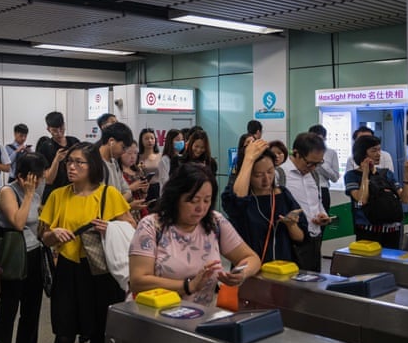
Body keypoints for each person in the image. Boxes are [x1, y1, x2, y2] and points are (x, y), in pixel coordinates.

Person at [39, 142, 135, 343]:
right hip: (69, 272)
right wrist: (54, 234)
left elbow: (132, 230)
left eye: (78, 162)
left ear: (92, 166)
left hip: (101, 273)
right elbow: (43, 235)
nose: (71, 167)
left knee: (99, 335)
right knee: (63, 335)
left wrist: (110, 228)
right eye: (69, 162)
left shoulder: (108, 194)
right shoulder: (58, 195)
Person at [130, 163, 261, 305]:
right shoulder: (151, 226)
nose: (201, 208)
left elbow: (252, 258)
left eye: (207, 200)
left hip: (201, 318)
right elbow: (138, 281)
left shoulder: (214, 221)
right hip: (157, 317)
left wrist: (241, 273)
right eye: (193, 201)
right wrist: (188, 286)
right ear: (176, 197)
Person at [0, 153, 48, 343]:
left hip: (33, 256)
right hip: (13, 259)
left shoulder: (37, 190)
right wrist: (30, 195)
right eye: (36, 176)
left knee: (31, 314)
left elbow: (37, 223)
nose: (39, 180)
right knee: (8, 311)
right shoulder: (8, 191)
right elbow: (18, 222)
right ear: (23, 175)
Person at [222, 140, 307, 264]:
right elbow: (237, 202)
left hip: (283, 268)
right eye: (258, 175)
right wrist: (248, 159)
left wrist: (291, 225)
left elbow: (301, 238)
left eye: (270, 172)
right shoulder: (238, 197)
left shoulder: (283, 195)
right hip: (250, 270)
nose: (266, 179)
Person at [344, 135, 408, 248]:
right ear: (362, 153)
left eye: (379, 150)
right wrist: (365, 174)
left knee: (390, 264)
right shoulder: (352, 176)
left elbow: (405, 199)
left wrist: (407, 174)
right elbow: (362, 199)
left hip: (392, 230)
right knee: (370, 263)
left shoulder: (386, 174)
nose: (378, 154)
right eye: (373, 150)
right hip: (368, 230)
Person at [280, 132, 332, 270]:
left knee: (313, 284)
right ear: (296, 153)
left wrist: (322, 214)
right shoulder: (279, 175)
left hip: (315, 239)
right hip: (292, 242)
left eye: (318, 163)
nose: (313, 167)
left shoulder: (314, 175)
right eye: (310, 163)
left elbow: (317, 202)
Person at [37, 111, 80, 203]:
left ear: (64, 125)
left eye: (61, 129)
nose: (59, 133)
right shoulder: (45, 147)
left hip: (74, 191)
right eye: (55, 131)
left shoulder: (74, 142)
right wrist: (56, 160)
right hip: (54, 194)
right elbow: (48, 180)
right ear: (48, 129)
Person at [308, 124, 340, 212]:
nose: (317, 142)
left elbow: (335, 178)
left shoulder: (331, 153)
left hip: (323, 188)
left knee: (323, 219)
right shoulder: (304, 152)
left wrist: (321, 163)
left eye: (320, 139)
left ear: (325, 139)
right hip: (306, 188)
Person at [120, 143, 148, 221]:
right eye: (129, 153)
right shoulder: (118, 172)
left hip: (141, 211)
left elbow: (143, 196)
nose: (133, 156)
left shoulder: (138, 171)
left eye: (135, 153)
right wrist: (131, 188)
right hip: (126, 212)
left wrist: (144, 191)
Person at [157, 129, 184, 193]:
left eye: (182, 139)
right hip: (168, 194)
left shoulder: (182, 157)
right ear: (170, 141)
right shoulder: (164, 160)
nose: (181, 142)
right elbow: (165, 182)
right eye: (177, 140)